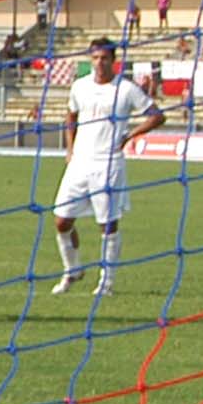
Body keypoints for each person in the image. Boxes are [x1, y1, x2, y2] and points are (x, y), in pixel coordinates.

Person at [49, 37, 164, 297]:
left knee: (107, 225)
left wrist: (129, 135)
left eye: (104, 58)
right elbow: (71, 115)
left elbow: (157, 116)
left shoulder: (125, 89)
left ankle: (106, 282)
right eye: (95, 58)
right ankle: (72, 270)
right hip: (79, 162)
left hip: (108, 164)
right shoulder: (80, 86)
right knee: (61, 221)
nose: (99, 63)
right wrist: (70, 147)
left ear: (113, 61)